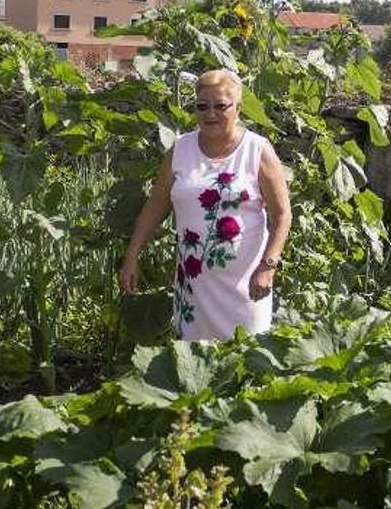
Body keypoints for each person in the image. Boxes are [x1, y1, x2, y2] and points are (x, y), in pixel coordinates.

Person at [118, 69, 292, 341]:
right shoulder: (180, 149)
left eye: (221, 106)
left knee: (246, 363)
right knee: (196, 365)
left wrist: (268, 267)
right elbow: (155, 206)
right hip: (194, 288)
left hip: (247, 285)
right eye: (202, 106)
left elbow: (282, 215)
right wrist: (131, 257)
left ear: (238, 109)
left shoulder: (257, 150)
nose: (210, 114)